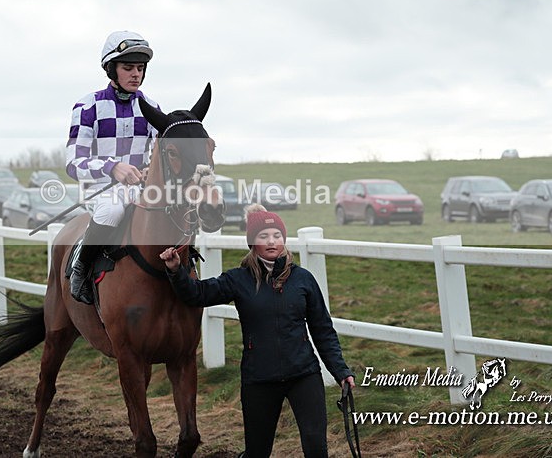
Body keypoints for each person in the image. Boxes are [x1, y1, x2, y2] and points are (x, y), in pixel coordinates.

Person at [160, 205, 355, 458]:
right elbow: (197, 294)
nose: (272, 241)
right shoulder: (239, 279)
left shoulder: (303, 279)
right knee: (257, 452)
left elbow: (323, 330)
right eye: (263, 236)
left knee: (316, 448)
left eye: (276, 235)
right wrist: (176, 271)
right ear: (252, 242)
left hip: (304, 374)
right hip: (259, 379)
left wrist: (340, 371)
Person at [66, 30, 160, 304]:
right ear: (111, 69)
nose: (136, 74)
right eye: (128, 67)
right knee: (112, 208)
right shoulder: (88, 105)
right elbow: (73, 163)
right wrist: (113, 167)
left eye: (140, 68)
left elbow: (156, 156)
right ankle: (81, 269)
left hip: (141, 190)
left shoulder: (152, 107)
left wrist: (148, 171)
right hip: (100, 190)